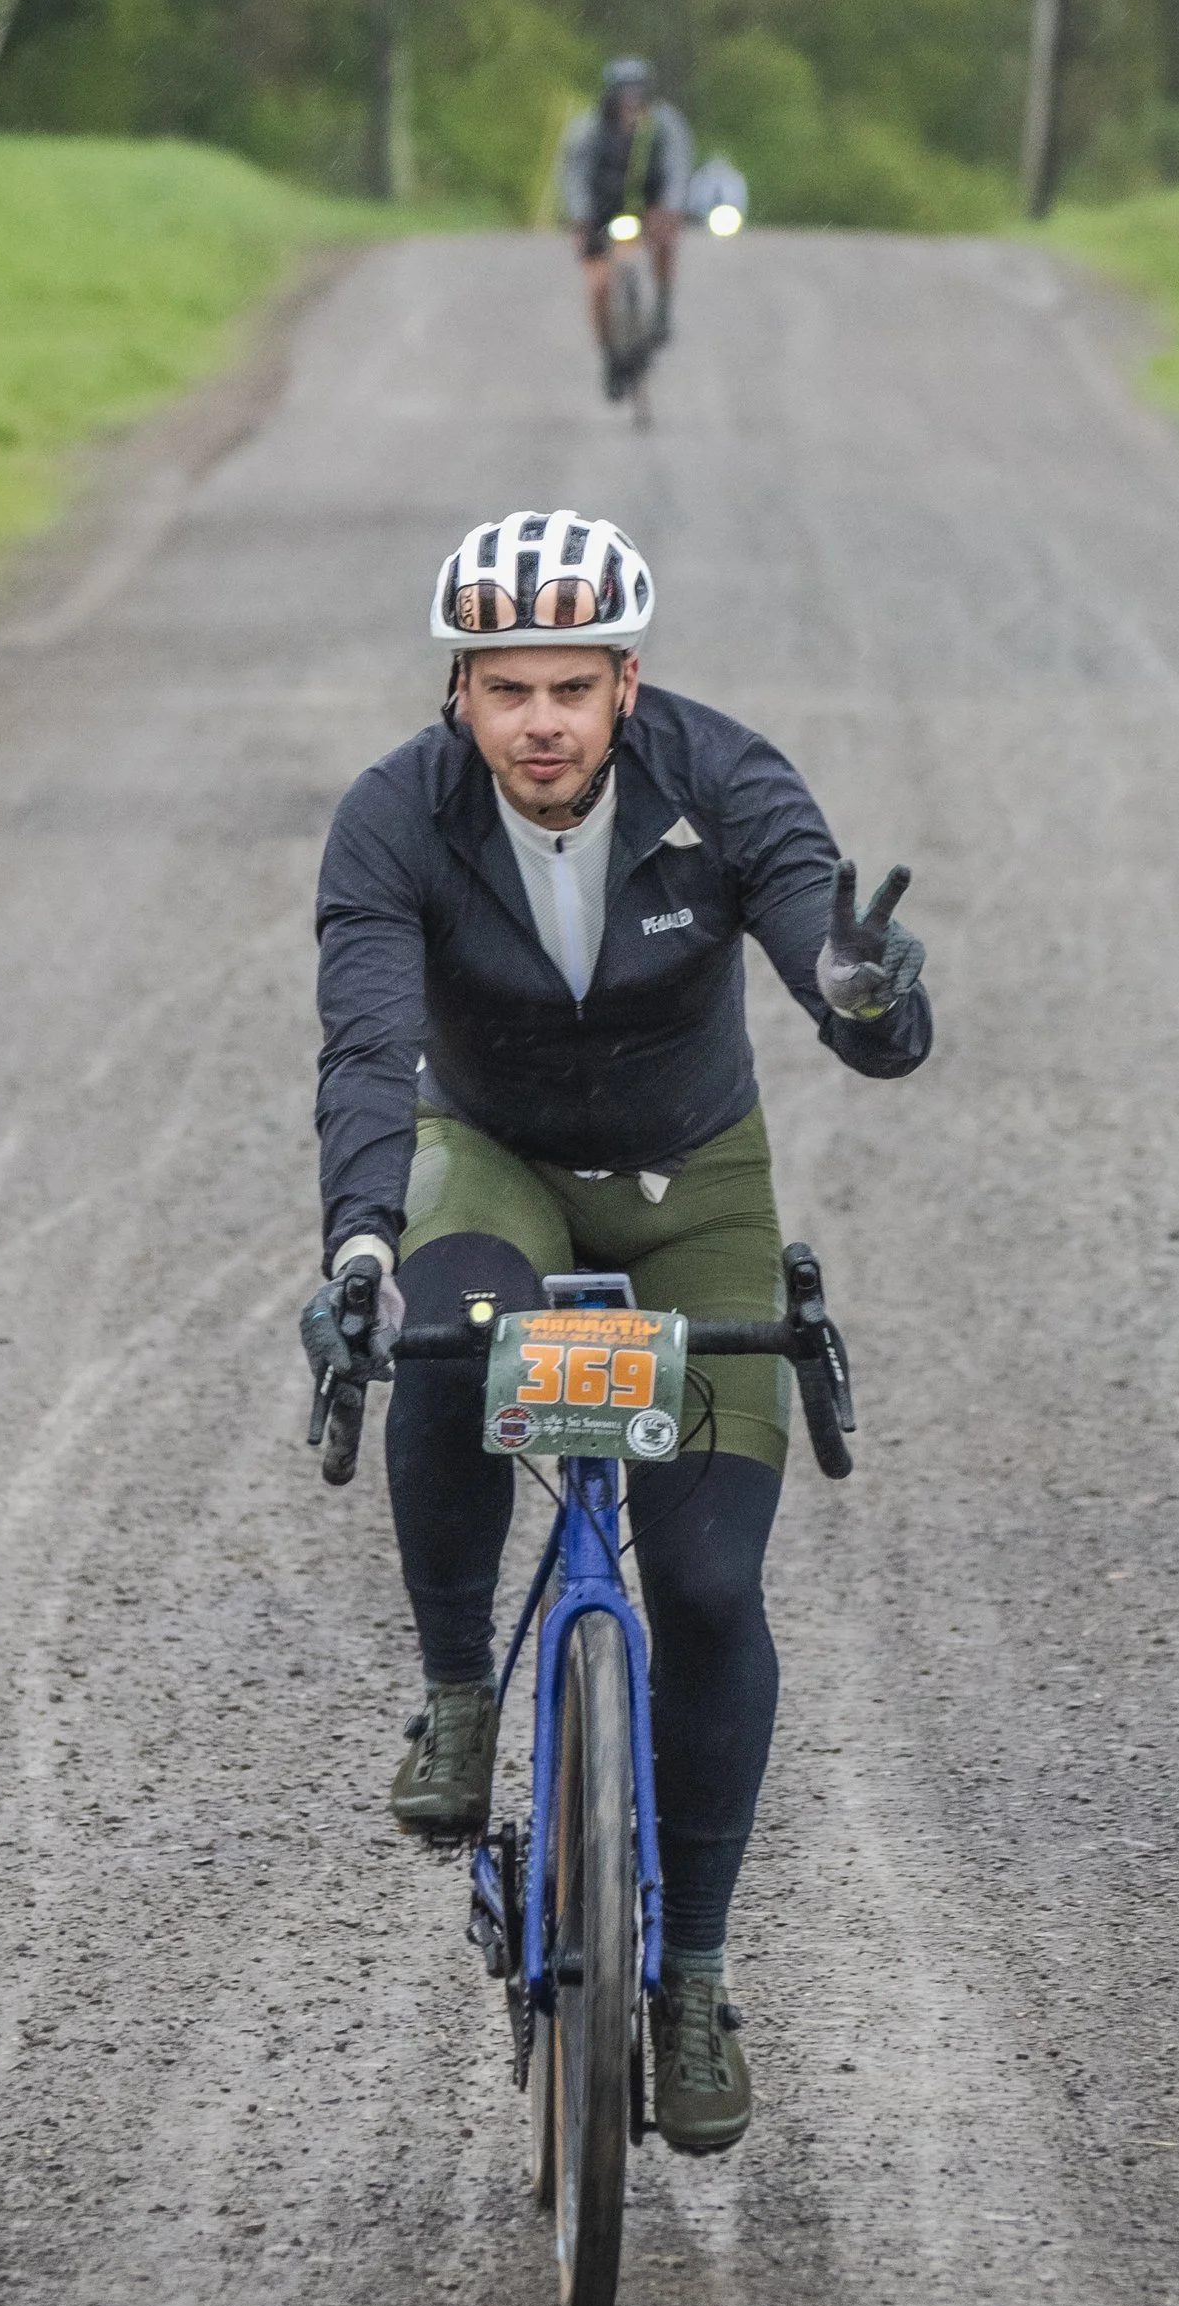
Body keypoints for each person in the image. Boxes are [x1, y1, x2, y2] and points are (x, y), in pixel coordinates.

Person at [302, 509, 932, 2154]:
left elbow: (829, 961)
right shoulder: (392, 820)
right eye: (504, 689)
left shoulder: (726, 782)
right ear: (460, 696)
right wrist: (360, 1242)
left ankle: (699, 1979)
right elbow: (369, 1044)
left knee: (713, 1581)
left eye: (571, 687)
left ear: (629, 683)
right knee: (444, 1335)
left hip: (692, 1183)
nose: (540, 722)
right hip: (490, 1164)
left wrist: (867, 997)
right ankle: (458, 1693)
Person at [558, 59, 693, 386]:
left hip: (650, 204)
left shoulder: (665, 125)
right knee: (599, 284)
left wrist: (670, 210)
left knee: (665, 243)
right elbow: (575, 176)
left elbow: (677, 168)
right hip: (602, 210)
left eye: (638, 94)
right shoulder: (588, 129)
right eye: (624, 94)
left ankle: (662, 306)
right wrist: (580, 219)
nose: (631, 102)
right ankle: (609, 352)